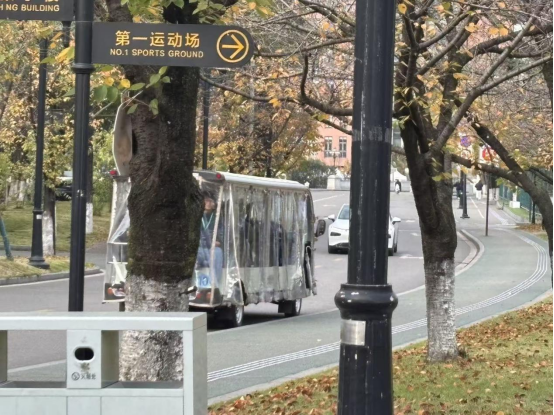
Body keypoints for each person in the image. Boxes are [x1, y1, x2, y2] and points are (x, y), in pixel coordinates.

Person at [197, 194, 224, 290]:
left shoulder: (217, 218)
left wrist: (218, 241)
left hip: (212, 247)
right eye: (206, 200)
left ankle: (214, 285)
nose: (208, 203)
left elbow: (222, 234)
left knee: (217, 252)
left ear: (214, 204)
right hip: (200, 247)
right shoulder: (197, 215)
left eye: (210, 201)